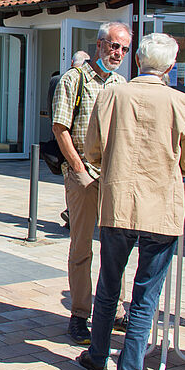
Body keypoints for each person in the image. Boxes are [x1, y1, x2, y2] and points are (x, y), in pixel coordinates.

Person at [76, 33, 185, 370]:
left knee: (109, 284)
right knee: (146, 295)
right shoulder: (182, 102)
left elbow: (93, 150)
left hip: (118, 202)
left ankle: (98, 356)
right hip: (160, 208)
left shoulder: (112, 94)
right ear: (170, 67)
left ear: (138, 61)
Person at [53, 21, 131, 345]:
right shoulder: (75, 79)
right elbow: (60, 128)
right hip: (84, 174)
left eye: (124, 49)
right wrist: (78, 169)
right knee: (82, 248)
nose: (119, 53)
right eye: (114, 46)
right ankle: (80, 314)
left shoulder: (121, 83)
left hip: (115, 176)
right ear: (99, 44)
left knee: (116, 246)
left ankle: (113, 311)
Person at [49, 50, 92, 230]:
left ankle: (72, 213)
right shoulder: (67, 80)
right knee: (72, 180)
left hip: (64, 137)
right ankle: (73, 214)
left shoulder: (56, 79)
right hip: (68, 138)